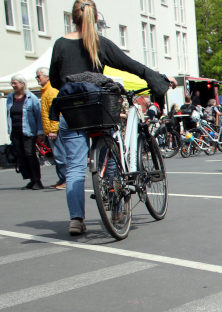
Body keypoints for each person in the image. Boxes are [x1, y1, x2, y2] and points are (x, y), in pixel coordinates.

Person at [49, 0, 175, 235]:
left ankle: (76, 219)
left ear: (72, 18)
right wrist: (158, 78)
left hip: (72, 113)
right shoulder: (99, 43)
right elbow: (130, 65)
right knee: (112, 160)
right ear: (95, 18)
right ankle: (117, 209)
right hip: (98, 109)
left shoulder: (60, 45)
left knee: (75, 169)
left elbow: (55, 81)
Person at [6, 74, 43, 190]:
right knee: (21, 156)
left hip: (28, 131)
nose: (13, 85)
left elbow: (38, 115)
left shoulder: (31, 98)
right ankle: (31, 179)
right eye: (12, 83)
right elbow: (8, 115)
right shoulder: (10, 98)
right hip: (15, 131)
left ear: (22, 84)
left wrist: (40, 131)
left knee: (30, 154)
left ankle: (37, 180)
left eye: (15, 83)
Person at [37, 67, 66, 189]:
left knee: (61, 156)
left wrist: (54, 129)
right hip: (50, 130)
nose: (37, 79)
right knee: (58, 156)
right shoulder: (45, 91)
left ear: (47, 77)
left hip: (55, 130)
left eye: (39, 76)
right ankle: (61, 179)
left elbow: (56, 112)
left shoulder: (51, 91)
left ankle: (66, 180)